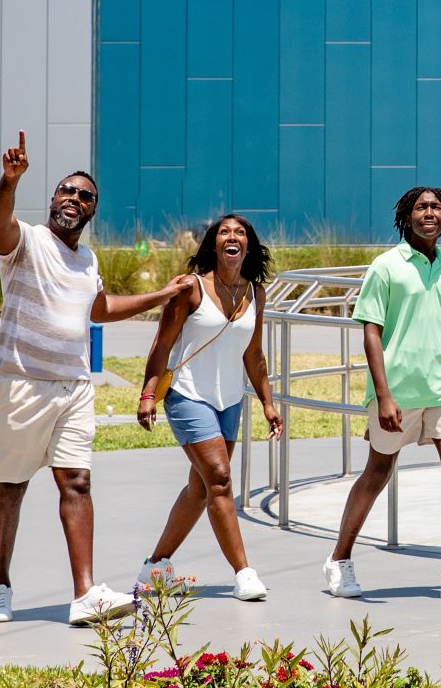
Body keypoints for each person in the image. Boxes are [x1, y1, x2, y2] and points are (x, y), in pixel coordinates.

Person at [0, 133, 192, 627]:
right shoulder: (27, 241)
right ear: (52, 199)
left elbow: (100, 308)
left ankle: (85, 594)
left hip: (74, 387)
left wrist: (162, 295)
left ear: (93, 210)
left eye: (84, 195)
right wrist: (8, 181)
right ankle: (0, 585)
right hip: (21, 383)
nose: (73, 198)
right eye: (65, 191)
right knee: (11, 488)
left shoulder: (87, 261)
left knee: (77, 481)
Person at [322, 187, 441, 602]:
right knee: (378, 473)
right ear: (407, 216)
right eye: (421, 207)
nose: (428, 213)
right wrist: (383, 396)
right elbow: (371, 332)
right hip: (396, 392)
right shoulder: (386, 267)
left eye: (435, 207)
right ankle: (339, 559)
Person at [134, 214, 285, 600]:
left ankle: (155, 565)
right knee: (219, 478)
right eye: (224, 232)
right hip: (188, 394)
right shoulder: (191, 288)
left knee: (200, 488)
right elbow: (162, 344)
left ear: (248, 245)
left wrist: (268, 402)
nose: (231, 237)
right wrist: (149, 393)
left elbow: (254, 354)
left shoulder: (256, 293)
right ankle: (244, 572)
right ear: (213, 244)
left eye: (239, 233)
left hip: (229, 399)